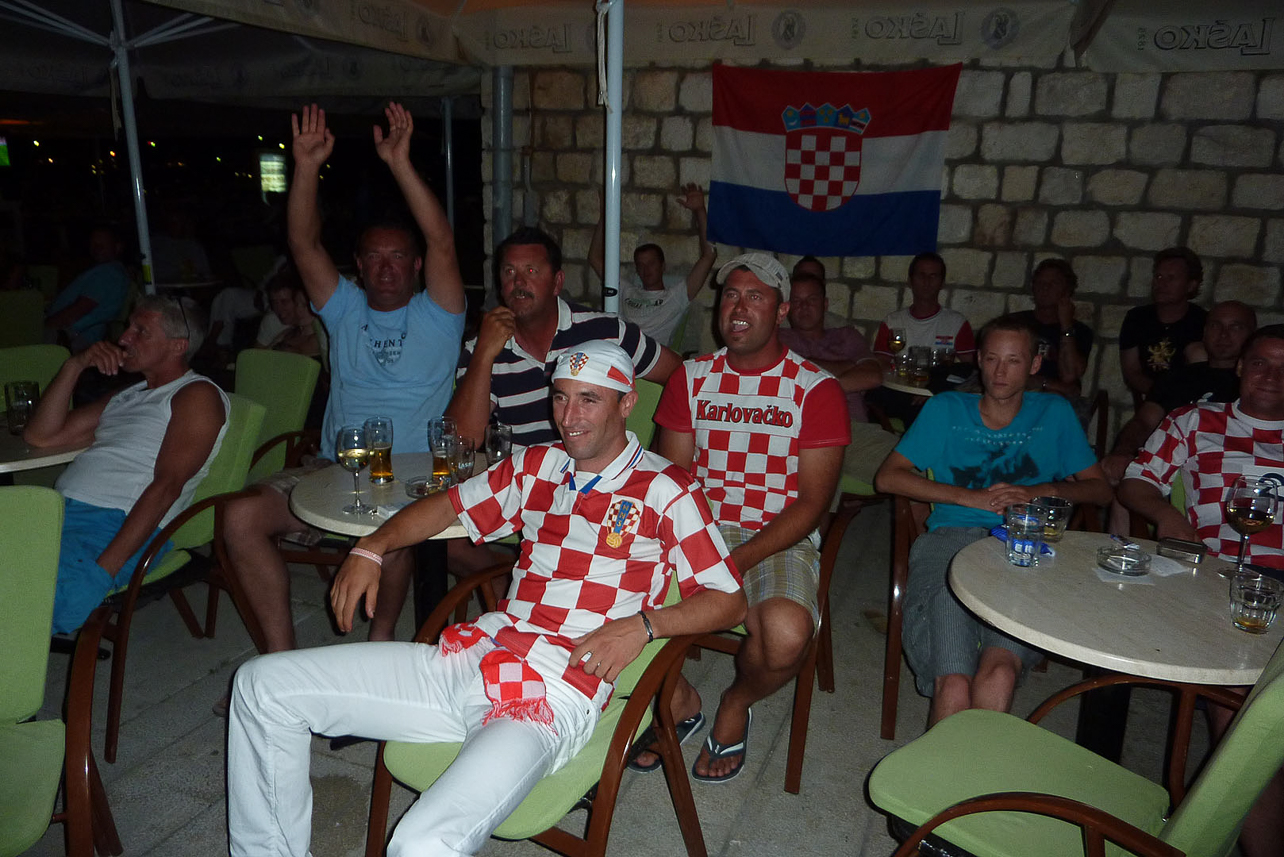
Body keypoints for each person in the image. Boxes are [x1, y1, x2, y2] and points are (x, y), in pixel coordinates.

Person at [226, 341, 746, 857]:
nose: (569, 416)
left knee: (423, 843)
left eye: (589, 399)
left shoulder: (666, 489)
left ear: (626, 402)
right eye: (560, 397)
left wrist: (644, 626)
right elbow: (445, 505)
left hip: (551, 691)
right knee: (260, 686)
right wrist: (372, 547)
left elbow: (729, 600)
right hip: (473, 656)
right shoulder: (537, 466)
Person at [221, 102, 466, 655]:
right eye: (374, 258)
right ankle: (280, 662)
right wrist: (305, 166)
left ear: (416, 265)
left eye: (398, 257)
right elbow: (304, 245)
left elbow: (444, 240)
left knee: (397, 525)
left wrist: (400, 163)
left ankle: (377, 652)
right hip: (339, 473)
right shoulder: (342, 307)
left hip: (416, 479)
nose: (386, 267)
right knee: (238, 516)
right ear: (357, 264)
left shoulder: (440, 314)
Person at [646, 252, 850, 783]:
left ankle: (736, 702)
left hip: (776, 536)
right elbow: (674, 481)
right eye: (731, 294)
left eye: (755, 296)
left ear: (781, 311)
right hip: (697, 527)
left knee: (785, 634)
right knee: (610, 594)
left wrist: (736, 559)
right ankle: (679, 700)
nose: (738, 307)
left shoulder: (816, 390)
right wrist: (696, 551)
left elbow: (811, 505)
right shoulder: (690, 379)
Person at [874, 314, 1111, 726]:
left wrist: (1037, 491)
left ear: (1034, 365)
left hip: (1023, 548)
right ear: (978, 361)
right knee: (955, 682)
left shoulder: (1053, 413)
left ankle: (974, 787)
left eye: (1014, 361)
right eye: (992, 359)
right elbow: (888, 476)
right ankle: (941, 786)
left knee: (999, 673)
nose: (1000, 371)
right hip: (950, 540)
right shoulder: (946, 408)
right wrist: (972, 498)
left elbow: (1100, 489)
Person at [1118, 324, 1284, 857]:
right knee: (1247, 724)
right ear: (1239, 366)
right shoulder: (1196, 420)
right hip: (1219, 576)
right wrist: (1168, 514)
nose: (1271, 376)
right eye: (1260, 362)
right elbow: (1135, 482)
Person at [25, 295, 229, 635]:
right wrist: (73, 366)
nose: (124, 338)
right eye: (129, 327)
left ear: (178, 345)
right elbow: (40, 436)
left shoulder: (195, 395)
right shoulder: (127, 395)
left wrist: (102, 571)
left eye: (141, 331)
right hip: (57, 513)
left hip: (110, 525)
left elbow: (167, 486)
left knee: (25, 600)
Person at [448, 226, 680, 448]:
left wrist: (660, 447)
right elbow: (462, 439)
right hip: (524, 481)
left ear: (557, 283)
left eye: (530, 271)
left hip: (597, 480)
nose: (518, 282)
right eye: (509, 272)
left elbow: (683, 376)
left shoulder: (605, 332)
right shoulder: (482, 347)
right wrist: (483, 354)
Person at [1102, 300, 1256, 486]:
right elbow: (1144, 421)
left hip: (1228, 473)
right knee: (1128, 481)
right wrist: (1124, 451)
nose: (1224, 335)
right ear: (1204, 333)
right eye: (1215, 326)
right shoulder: (1176, 378)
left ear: (1251, 336)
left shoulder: (1258, 384)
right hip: (1169, 467)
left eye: (1235, 327)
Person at [778, 270, 897, 485]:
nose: (804, 307)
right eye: (797, 301)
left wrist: (814, 382)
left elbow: (871, 376)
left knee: (915, 469)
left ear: (824, 304)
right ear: (787, 307)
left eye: (811, 300)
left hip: (853, 429)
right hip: (799, 429)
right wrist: (848, 366)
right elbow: (785, 379)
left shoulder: (846, 336)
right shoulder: (776, 339)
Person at [588, 183, 717, 347]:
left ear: (663, 266)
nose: (645, 269)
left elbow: (709, 256)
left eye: (651, 263)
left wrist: (700, 211)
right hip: (618, 353)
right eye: (640, 265)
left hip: (651, 361)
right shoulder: (625, 289)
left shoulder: (675, 296)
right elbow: (594, 258)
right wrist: (605, 217)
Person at [1119, 246, 1209, 404]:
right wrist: (1162, 393)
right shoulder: (1137, 318)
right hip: (1154, 399)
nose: (1162, 284)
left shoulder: (1203, 321)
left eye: (1171, 278)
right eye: (1158, 277)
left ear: (1191, 285)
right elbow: (1132, 371)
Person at [872, 252, 976, 367]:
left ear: (942, 283)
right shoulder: (892, 322)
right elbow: (880, 364)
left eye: (933, 276)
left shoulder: (957, 323)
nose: (927, 282)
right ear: (910, 281)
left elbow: (970, 366)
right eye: (921, 275)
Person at [1010, 258, 1093, 398]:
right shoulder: (1014, 323)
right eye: (1040, 282)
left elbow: (1069, 376)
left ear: (1067, 290)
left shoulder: (1080, 331)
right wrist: (1046, 383)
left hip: (1057, 401)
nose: (1045, 288)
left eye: (1053, 283)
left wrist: (1066, 325)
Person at [45, 224, 131, 352]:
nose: (96, 249)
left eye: (102, 245)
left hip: (70, 335)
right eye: (94, 244)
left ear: (117, 248)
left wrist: (46, 325)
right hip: (74, 333)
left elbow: (79, 309)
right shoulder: (108, 270)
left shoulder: (108, 272)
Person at [254, 270, 321, 359]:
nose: (278, 308)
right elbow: (257, 356)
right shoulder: (284, 330)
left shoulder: (320, 338)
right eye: (274, 302)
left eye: (284, 302)